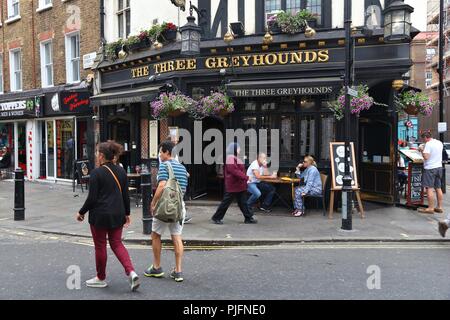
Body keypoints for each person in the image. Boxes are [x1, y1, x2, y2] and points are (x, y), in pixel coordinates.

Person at [76, 141, 140, 292]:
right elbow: (125, 195)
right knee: (117, 243)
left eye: (98, 153)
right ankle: (131, 272)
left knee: (100, 246)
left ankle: (100, 278)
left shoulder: (96, 173)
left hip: (100, 215)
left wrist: (81, 212)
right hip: (117, 214)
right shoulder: (121, 171)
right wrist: (127, 213)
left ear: (102, 156)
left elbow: (92, 199)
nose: (96, 155)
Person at [145, 140, 188, 282]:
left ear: (167, 152)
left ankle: (156, 267)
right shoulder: (182, 168)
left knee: (156, 235)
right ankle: (178, 271)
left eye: (161, 151)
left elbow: (162, 185)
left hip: (165, 205)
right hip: (179, 206)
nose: (159, 154)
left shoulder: (164, 165)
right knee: (176, 236)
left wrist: (153, 203)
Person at [211, 143, 257, 225]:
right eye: (238, 148)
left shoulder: (234, 158)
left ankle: (248, 218)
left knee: (243, 203)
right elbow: (234, 171)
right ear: (234, 149)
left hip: (239, 185)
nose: (240, 150)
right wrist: (246, 177)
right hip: (233, 185)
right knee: (226, 202)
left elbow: (237, 170)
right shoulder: (230, 158)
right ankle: (216, 217)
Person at [417, 132, 444, 214]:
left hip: (430, 168)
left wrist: (422, 150)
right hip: (439, 167)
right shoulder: (439, 143)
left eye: (423, 139)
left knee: (429, 188)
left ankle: (430, 208)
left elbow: (426, 157)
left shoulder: (428, 144)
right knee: (438, 188)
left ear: (425, 137)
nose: (424, 141)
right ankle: (439, 207)